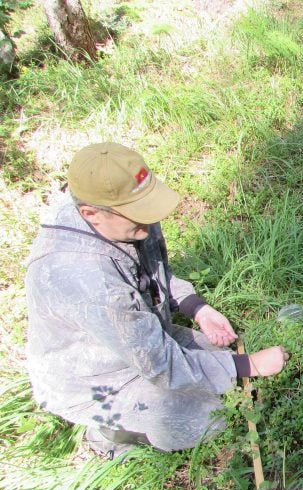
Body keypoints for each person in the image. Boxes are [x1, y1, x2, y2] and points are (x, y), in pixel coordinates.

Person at [25, 142, 289, 457]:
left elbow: (154, 273)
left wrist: (197, 308)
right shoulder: (88, 278)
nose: (149, 219)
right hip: (100, 381)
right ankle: (109, 433)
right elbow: (160, 363)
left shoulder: (126, 219)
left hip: (138, 338)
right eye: (137, 212)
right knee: (206, 419)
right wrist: (251, 364)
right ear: (91, 214)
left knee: (221, 357)